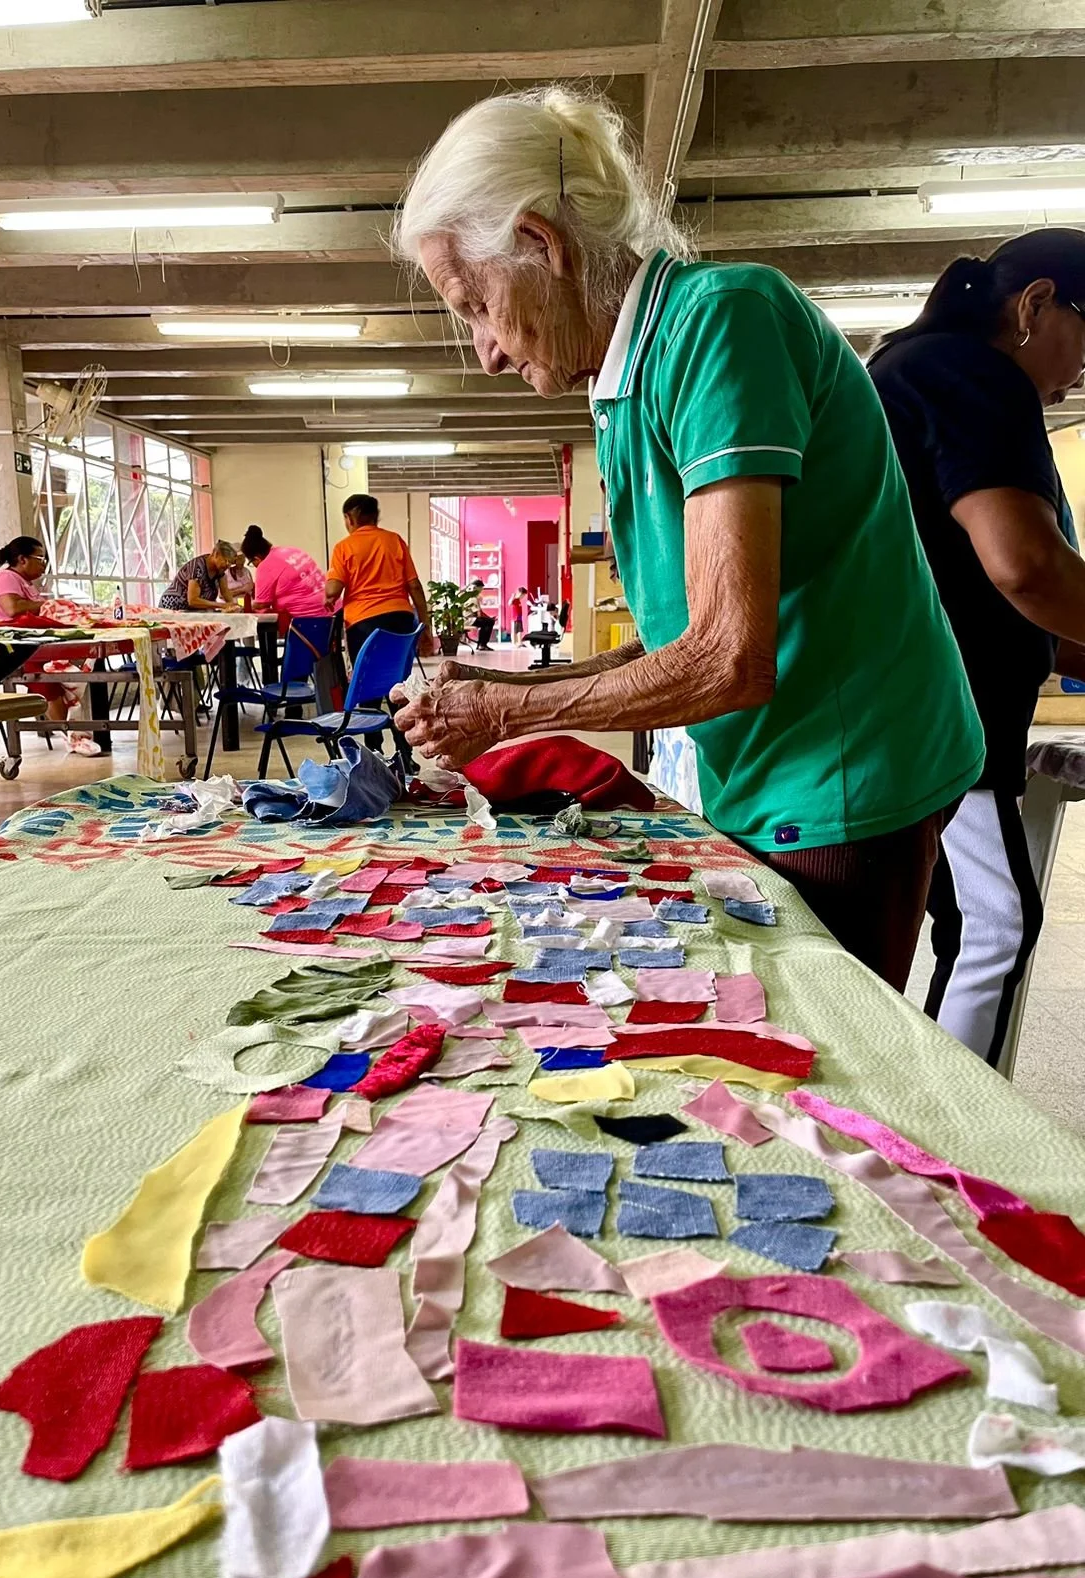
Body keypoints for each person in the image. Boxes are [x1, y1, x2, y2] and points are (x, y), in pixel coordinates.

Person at [389, 84, 985, 991]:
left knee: (815, 1040)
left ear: (542, 245)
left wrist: (505, 715)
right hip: (770, 765)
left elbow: (729, 659)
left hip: (845, 772)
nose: (489, 352)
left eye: (475, 305)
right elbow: (685, 635)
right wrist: (502, 684)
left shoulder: (721, 319)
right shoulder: (625, 383)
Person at [869, 230, 1085, 1064]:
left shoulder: (915, 369)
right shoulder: (973, 375)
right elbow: (1026, 568)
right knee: (996, 925)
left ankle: (932, 1103)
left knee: (969, 920)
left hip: (911, 707)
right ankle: (955, 1124)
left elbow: (994, 588)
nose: (1079, 375)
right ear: (1036, 304)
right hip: (941, 714)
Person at [325, 493, 434, 753]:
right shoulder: (394, 541)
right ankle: (405, 753)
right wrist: (426, 626)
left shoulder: (344, 547)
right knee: (399, 686)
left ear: (349, 518)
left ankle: (374, 752)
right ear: (375, 517)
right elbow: (414, 586)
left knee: (368, 689)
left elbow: (333, 590)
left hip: (363, 624)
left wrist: (328, 594)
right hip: (401, 621)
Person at [0, 536, 100, 754]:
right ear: (22, 559)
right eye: (40, 559)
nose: (44, 565)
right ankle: (71, 734)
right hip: (13, 650)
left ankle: (74, 729)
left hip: (35, 645)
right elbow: (12, 608)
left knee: (71, 670)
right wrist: (49, 605)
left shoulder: (25, 584)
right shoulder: (4, 578)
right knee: (45, 679)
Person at [242, 525, 330, 619]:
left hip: (312, 618)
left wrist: (246, 606)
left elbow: (261, 604)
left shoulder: (265, 566)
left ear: (256, 558)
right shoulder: (291, 550)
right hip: (333, 606)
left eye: (251, 563)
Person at [159, 542, 241, 612]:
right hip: (173, 607)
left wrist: (233, 606)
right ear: (216, 554)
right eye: (226, 561)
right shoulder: (197, 568)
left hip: (190, 611)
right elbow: (193, 600)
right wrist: (222, 605)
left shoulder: (220, 570)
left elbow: (225, 591)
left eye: (230, 563)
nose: (227, 565)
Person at [466, 579, 496, 650]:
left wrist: (488, 618)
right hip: (469, 620)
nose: (482, 590)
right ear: (477, 588)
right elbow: (479, 614)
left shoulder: (467, 596)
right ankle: (482, 644)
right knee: (490, 622)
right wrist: (489, 619)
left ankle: (481, 644)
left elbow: (480, 613)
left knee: (487, 622)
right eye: (481, 588)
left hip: (466, 619)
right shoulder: (474, 598)